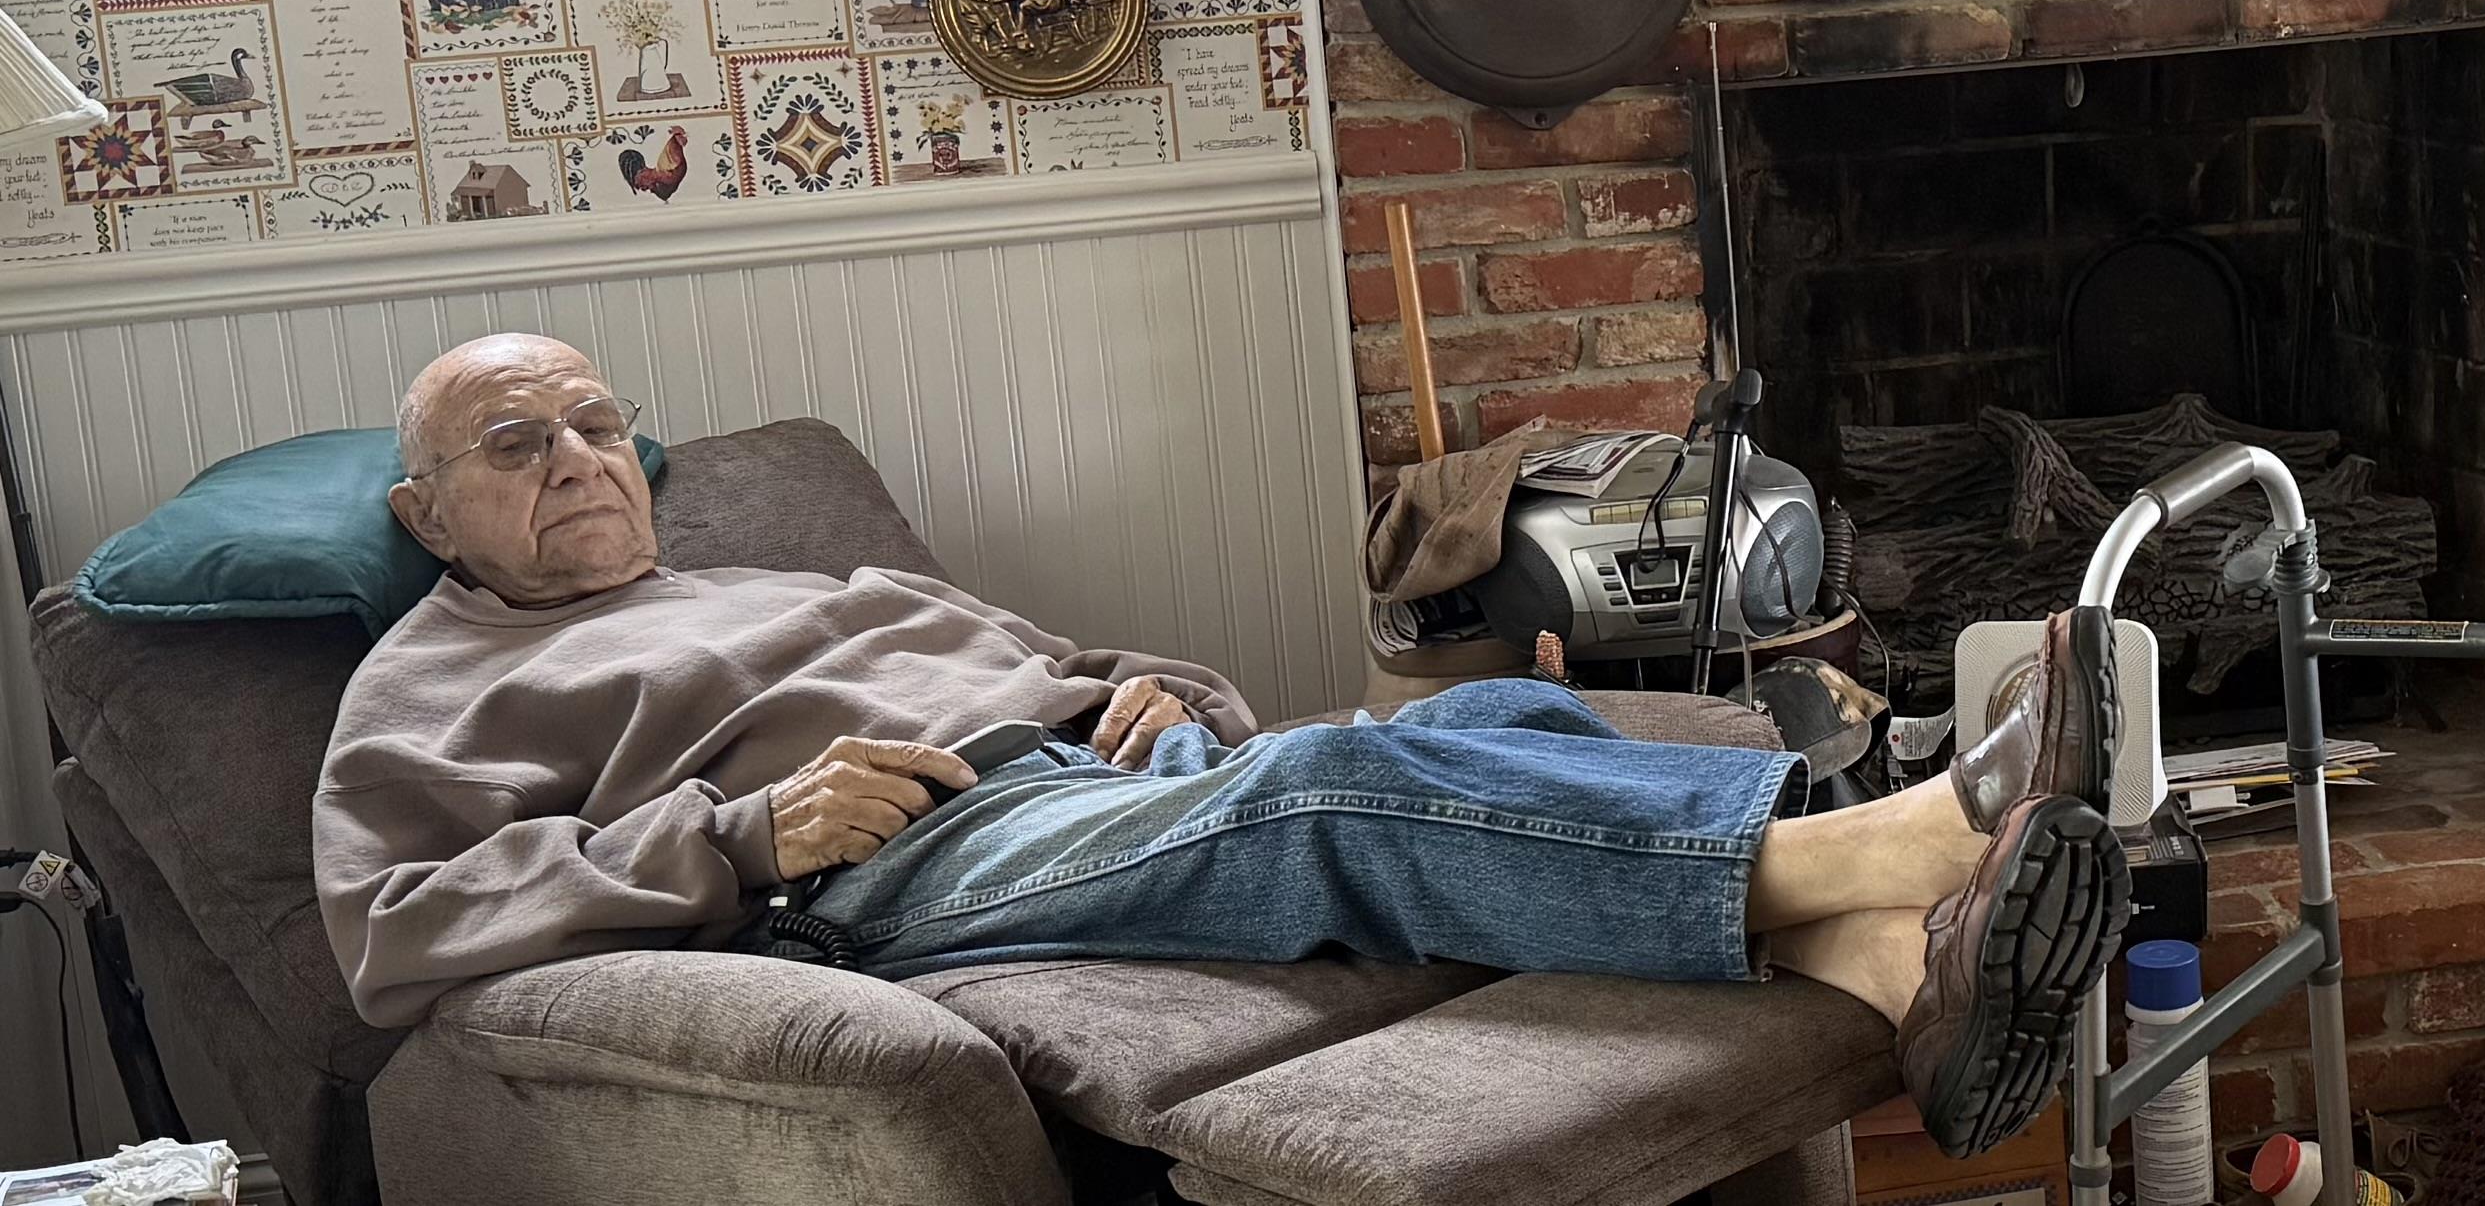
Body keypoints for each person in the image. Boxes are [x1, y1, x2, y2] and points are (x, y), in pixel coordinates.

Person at [315, 333, 2130, 1158]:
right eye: (511, 442)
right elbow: (396, 926)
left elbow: (1069, 655)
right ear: (427, 509)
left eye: (596, 422)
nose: (570, 458)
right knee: (1340, 787)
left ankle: (1889, 962)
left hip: (1103, 775)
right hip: (901, 861)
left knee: (1485, 712)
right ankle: (1896, 837)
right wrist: (736, 831)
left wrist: (1174, 690)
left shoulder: (806, 566)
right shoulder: (432, 680)